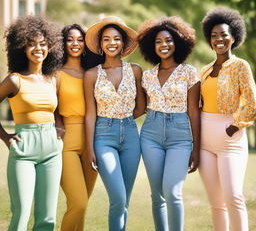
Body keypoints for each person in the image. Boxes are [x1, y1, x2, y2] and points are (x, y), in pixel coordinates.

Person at [0, 15, 63, 231]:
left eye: (43, 44)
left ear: (50, 48)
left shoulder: (52, 79)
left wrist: (60, 130)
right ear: (22, 49)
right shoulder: (14, 80)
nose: (38, 49)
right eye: (32, 44)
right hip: (24, 148)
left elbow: (56, 111)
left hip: (52, 149)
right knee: (22, 211)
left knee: (47, 216)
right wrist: (5, 137)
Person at [137, 16, 200, 231]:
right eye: (158, 42)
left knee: (172, 192)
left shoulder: (189, 73)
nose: (164, 45)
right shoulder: (146, 76)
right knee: (157, 195)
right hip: (150, 134)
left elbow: (194, 111)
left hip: (180, 136)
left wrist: (196, 148)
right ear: (151, 46)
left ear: (178, 42)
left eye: (168, 40)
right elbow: (140, 108)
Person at [84, 16, 145, 231]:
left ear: (123, 43)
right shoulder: (91, 75)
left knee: (124, 201)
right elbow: (90, 114)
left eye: (117, 39)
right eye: (107, 39)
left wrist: (123, 120)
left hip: (130, 136)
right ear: (100, 44)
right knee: (118, 197)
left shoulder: (135, 70)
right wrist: (90, 146)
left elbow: (142, 106)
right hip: (103, 137)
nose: (112, 43)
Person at [199, 6, 256, 231]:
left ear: (233, 37)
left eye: (223, 34)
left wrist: (234, 127)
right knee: (216, 203)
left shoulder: (241, 66)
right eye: (214, 36)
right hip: (205, 140)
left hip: (230, 138)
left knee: (234, 196)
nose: (218, 39)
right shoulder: (204, 69)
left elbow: (252, 102)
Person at [55, 24, 100, 231]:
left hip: (94, 141)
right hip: (68, 142)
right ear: (63, 44)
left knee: (80, 206)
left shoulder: (93, 73)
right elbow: (51, 104)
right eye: (70, 39)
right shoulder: (56, 73)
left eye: (80, 39)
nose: (75, 44)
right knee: (78, 202)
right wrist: (58, 123)